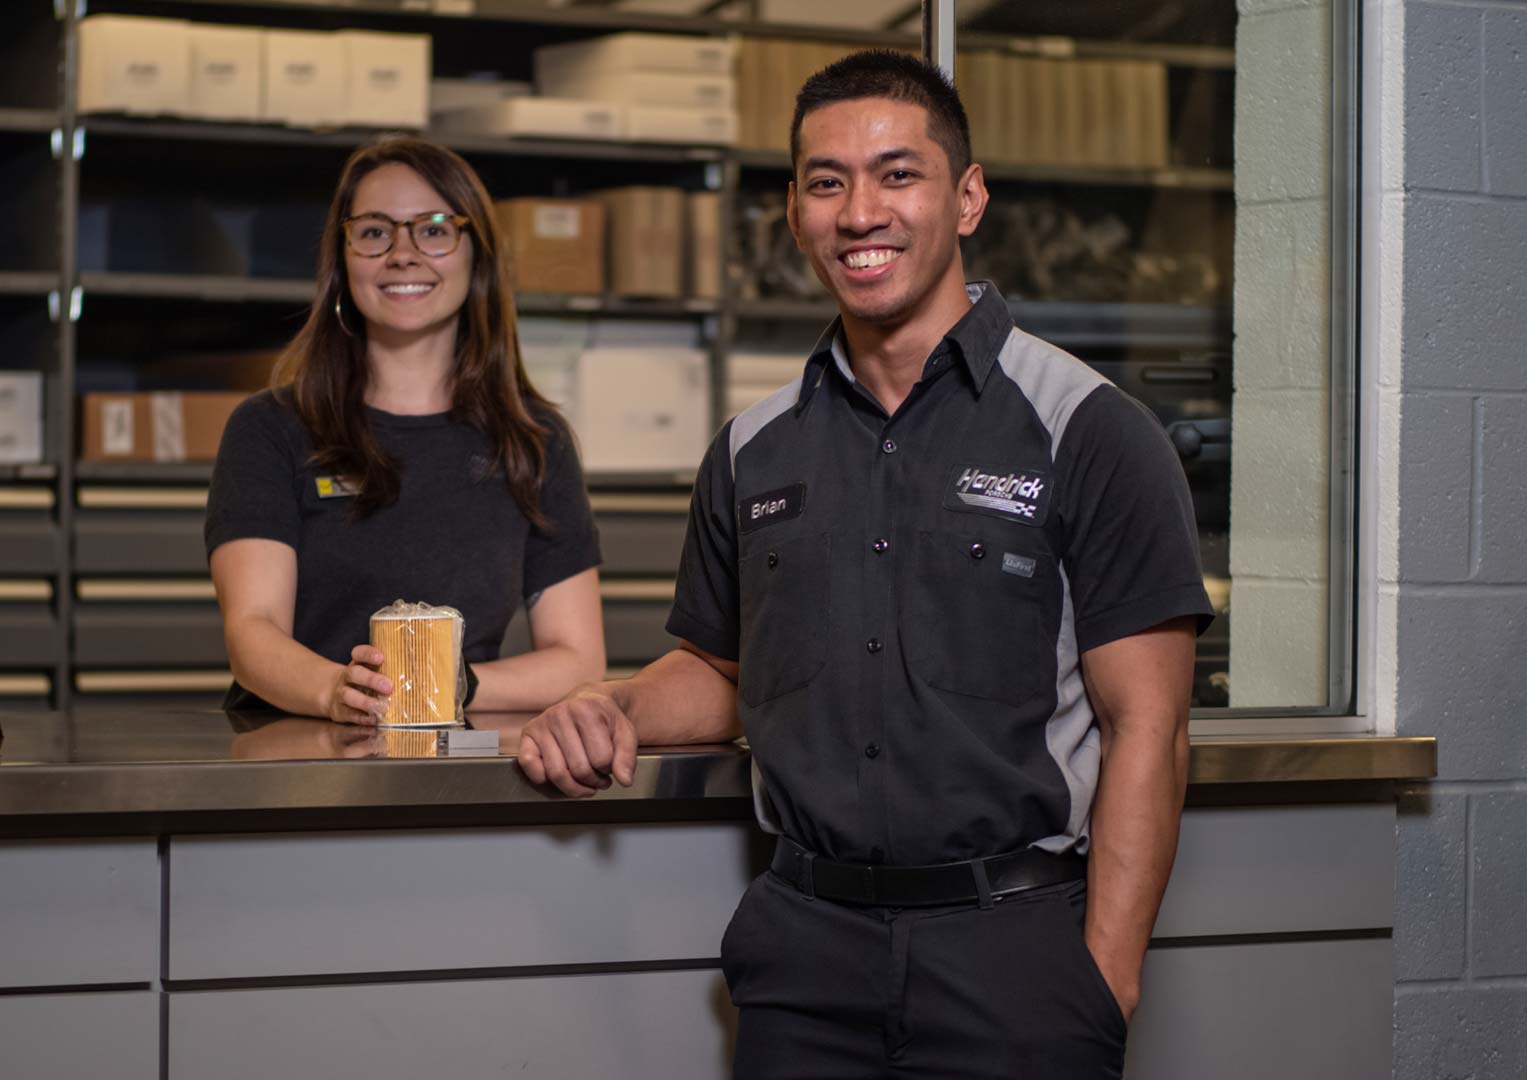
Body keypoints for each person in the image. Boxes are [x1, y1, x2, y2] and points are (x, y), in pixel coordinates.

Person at [516, 51, 1214, 1077]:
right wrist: (613, 709)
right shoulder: (755, 449)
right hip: (805, 959)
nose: (860, 212)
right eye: (827, 181)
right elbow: (721, 674)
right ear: (795, 211)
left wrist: (1101, 985)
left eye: (898, 173)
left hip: (1014, 957)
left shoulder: (1089, 430)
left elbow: (1147, 727)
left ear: (967, 197)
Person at [206, 136, 605, 724]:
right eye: (374, 232)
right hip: (295, 762)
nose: (403, 253)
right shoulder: (271, 430)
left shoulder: (534, 440)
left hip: (450, 764)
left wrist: (454, 684)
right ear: (342, 260)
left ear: (477, 255)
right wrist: (336, 690)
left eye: (434, 229)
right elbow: (253, 632)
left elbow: (578, 659)